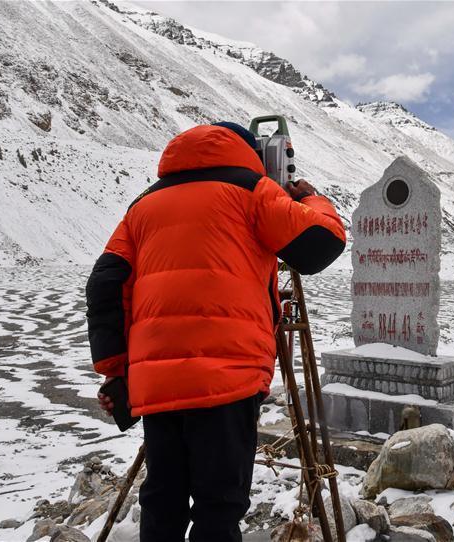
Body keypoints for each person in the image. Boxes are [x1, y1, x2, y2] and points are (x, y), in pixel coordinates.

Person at [85, 122, 345, 541]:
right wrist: (309, 199)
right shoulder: (253, 190)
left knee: (162, 500)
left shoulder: (144, 204)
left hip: (158, 383)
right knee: (219, 506)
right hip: (227, 377)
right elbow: (321, 244)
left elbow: (106, 282)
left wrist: (117, 371)